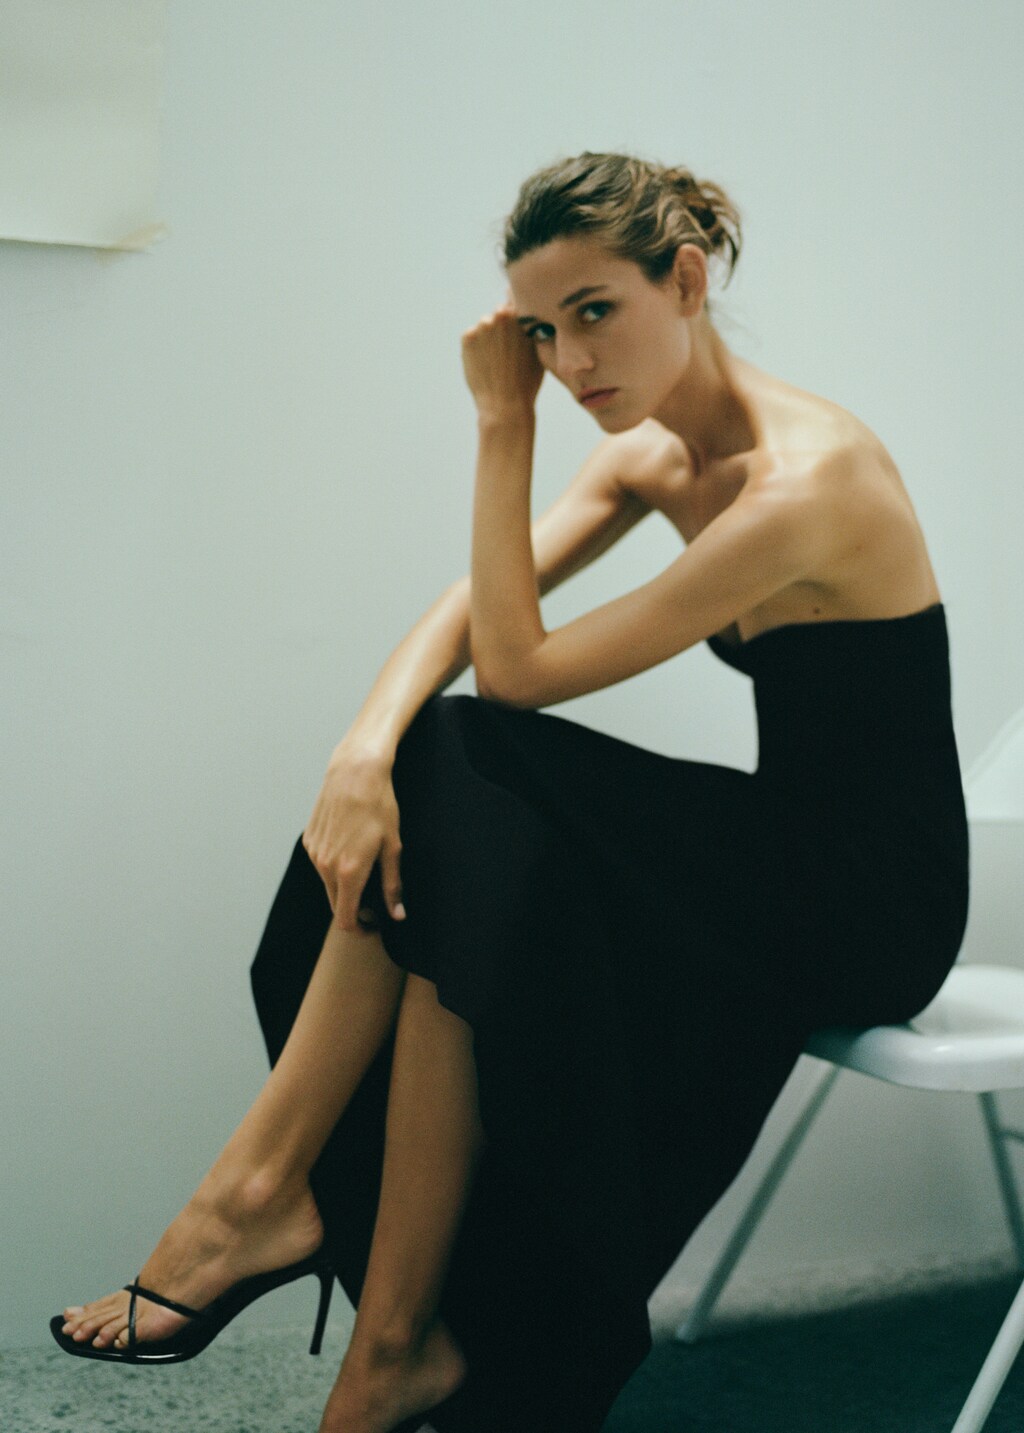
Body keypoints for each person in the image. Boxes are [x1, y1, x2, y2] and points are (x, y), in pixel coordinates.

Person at [51, 151, 970, 1433]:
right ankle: (387, 1341)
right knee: (469, 837)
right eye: (539, 332)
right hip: (777, 850)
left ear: (685, 279)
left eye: (594, 311)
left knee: (473, 757)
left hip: (873, 904)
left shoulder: (804, 483)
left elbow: (518, 670)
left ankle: (261, 1195)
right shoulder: (660, 456)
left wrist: (503, 427)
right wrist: (361, 750)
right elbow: (472, 611)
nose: (567, 360)